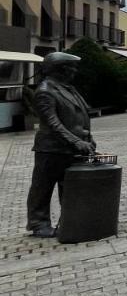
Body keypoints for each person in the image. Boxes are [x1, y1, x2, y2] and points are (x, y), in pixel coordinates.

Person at [27, 52, 95, 238]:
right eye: (71, 68)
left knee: (70, 185)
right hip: (51, 148)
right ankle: (38, 224)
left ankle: (70, 219)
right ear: (61, 70)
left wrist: (88, 138)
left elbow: (81, 116)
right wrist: (76, 140)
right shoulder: (45, 91)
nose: (74, 71)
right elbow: (52, 123)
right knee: (42, 187)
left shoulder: (68, 89)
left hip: (72, 148)